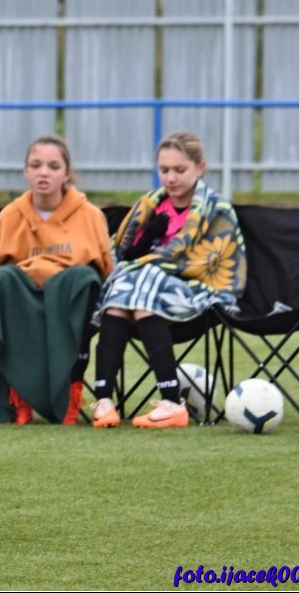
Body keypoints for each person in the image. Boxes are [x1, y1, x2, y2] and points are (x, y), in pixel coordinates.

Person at [0, 135, 114, 427]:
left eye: (53, 166)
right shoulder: (8, 218)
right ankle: (18, 397)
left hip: (68, 301)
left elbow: (103, 267)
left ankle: (71, 391)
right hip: (17, 302)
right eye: (36, 165)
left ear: (66, 173)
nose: (44, 172)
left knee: (83, 279)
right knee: (2, 280)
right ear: (25, 171)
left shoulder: (89, 215)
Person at [90, 131, 247, 429]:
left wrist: (152, 266)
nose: (171, 178)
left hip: (198, 289)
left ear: (199, 168)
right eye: (164, 170)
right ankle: (104, 400)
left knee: (141, 283)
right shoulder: (150, 205)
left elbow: (215, 261)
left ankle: (173, 401)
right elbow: (124, 254)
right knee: (122, 292)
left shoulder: (217, 210)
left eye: (179, 170)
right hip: (142, 292)